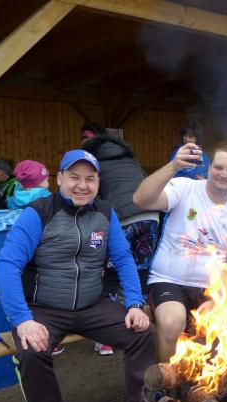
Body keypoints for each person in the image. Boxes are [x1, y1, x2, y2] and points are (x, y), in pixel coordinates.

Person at [0, 149, 168, 402]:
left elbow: (124, 258)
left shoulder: (105, 212)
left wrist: (134, 304)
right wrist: (23, 320)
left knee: (141, 333)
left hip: (91, 304)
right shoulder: (38, 213)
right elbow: (6, 265)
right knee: (31, 350)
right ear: (59, 178)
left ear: (98, 183)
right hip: (44, 308)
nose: (82, 185)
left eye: (90, 178)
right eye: (74, 177)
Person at [133, 145, 227, 362]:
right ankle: (167, 378)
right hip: (169, 280)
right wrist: (173, 166)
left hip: (213, 287)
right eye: (218, 167)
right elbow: (140, 199)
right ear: (209, 168)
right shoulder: (185, 188)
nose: (224, 174)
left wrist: (218, 300)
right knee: (172, 321)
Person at [81, 122, 163, 356]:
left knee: (111, 271)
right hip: (150, 218)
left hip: (122, 219)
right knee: (141, 270)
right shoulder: (131, 161)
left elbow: (94, 198)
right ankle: (144, 325)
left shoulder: (96, 165)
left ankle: (106, 338)